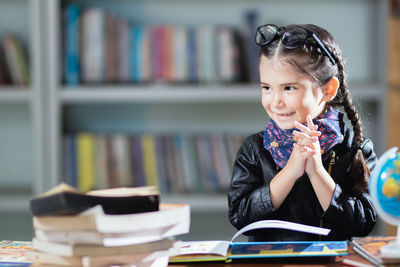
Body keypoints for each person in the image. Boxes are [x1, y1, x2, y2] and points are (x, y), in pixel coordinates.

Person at [228, 24, 377, 241]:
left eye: (289, 88)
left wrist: (317, 171)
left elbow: (363, 223)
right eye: (266, 88)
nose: (275, 101)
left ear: (328, 90)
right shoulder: (254, 149)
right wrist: (290, 171)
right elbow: (241, 218)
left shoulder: (354, 148)